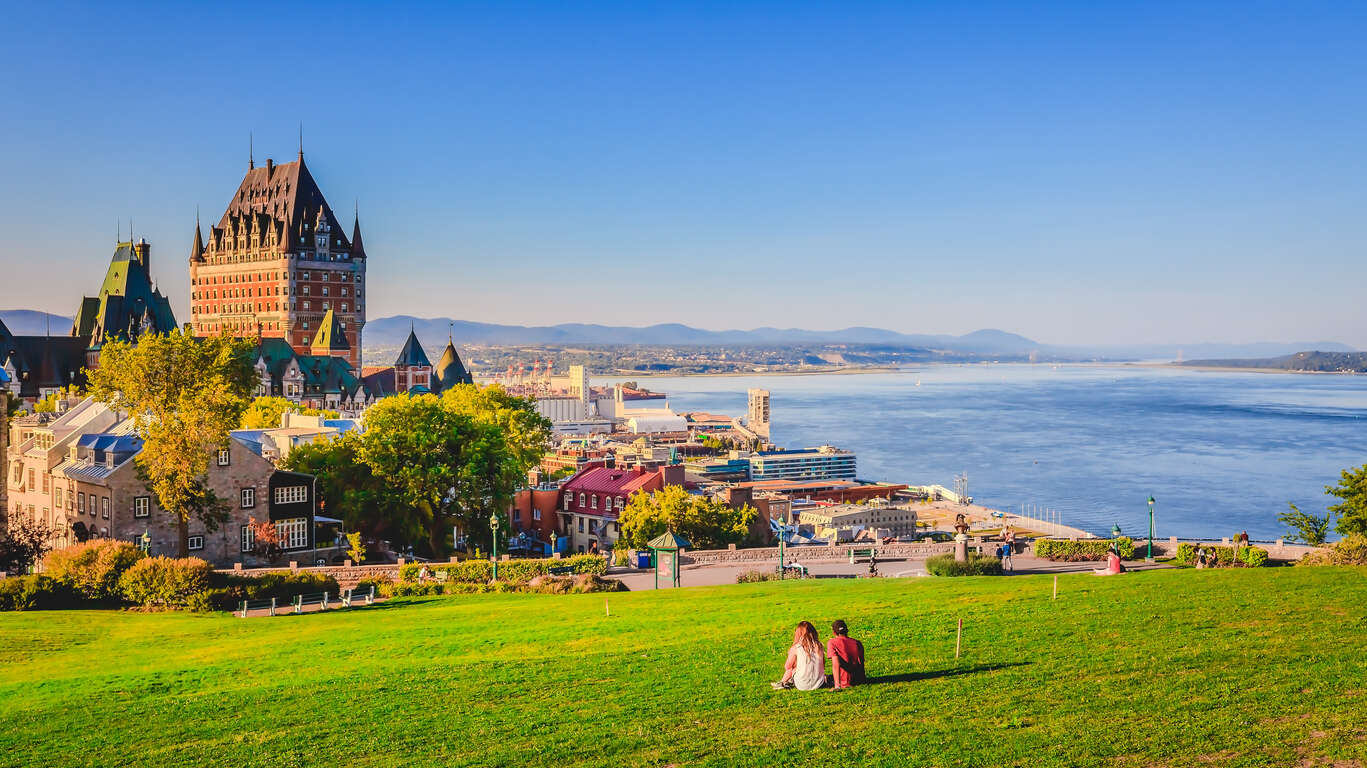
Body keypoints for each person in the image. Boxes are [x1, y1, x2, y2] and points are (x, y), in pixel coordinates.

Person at [772, 621, 826, 690]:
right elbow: (823, 664)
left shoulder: (796, 648)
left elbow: (787, 667)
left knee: (792, 668)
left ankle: (782, 682)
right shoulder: (819, 646)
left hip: (801, 685)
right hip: (819, 683)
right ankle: (784, 682)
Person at [826, 619, 865, 689]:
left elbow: (836, 664)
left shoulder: (832, 643)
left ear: (834, 633)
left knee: (825, 678)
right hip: (859, 679)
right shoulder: (857, 643)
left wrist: (837, 686)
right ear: (847, 630)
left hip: (844, 682)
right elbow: (861, 663)